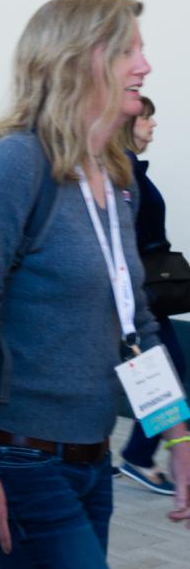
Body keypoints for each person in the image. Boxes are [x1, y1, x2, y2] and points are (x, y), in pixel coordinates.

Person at [0, 0, 190, 569]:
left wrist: (177, 436)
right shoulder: (15, 164)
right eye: (130, 49)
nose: (146, 65)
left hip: (91, 463)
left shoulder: (116, 178)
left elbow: (136, 324)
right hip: (21, 459)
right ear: (82, 60)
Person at [116, 96, 189, 494]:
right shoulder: (124, 169)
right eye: (148, 118)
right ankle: (139, 456)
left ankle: (138, 454)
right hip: (140, 295)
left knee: (166, 369)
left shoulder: (131, 167)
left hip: (144, 294)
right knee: (168, 369)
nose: (154, 125)